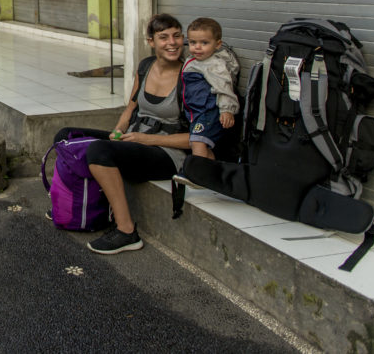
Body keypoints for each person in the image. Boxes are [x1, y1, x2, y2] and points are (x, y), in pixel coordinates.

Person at [54, 13, 190, 255]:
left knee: (98, 151)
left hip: (167, 154)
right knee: (67, 135)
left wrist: (146, 139)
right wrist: (119, 130)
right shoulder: (145, 66)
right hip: (134, 141)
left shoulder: (190, 77)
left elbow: (195, 140)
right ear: (151, 42)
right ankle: (78, 204)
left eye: (177, 36)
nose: (172, 42)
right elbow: (131, 107)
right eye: (164, 37)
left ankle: (127, 231)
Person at [181, 17, 239, 160]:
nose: (197, 47)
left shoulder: (214, 64)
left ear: (217, 44)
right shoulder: (193, 60)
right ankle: (210, 174)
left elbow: (224, 87)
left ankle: (200, 175)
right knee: (199, 144)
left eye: (204, 43)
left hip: (209, 112)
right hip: (198, 112)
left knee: (198, 142)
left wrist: (227, 110)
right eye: (193, 42)